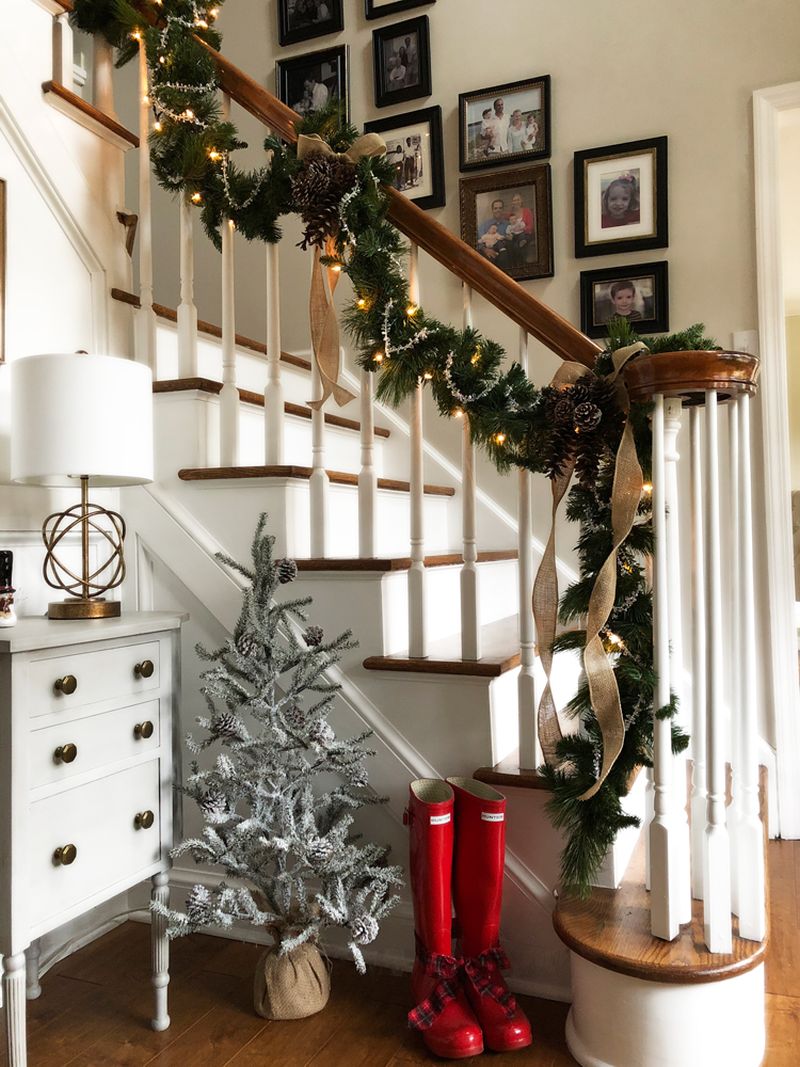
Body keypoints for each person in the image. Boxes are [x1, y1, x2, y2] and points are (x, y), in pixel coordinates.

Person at [477, 199, 510, 267]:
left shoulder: (508, 224)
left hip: (504, 250)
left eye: (500, 208)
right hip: (489, 249)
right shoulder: (485, 225)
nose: (498, 210)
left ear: (503, 209)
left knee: (504, 258)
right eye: (495, 208)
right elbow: (479, 240)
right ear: (492, 210)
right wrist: (486, 250)